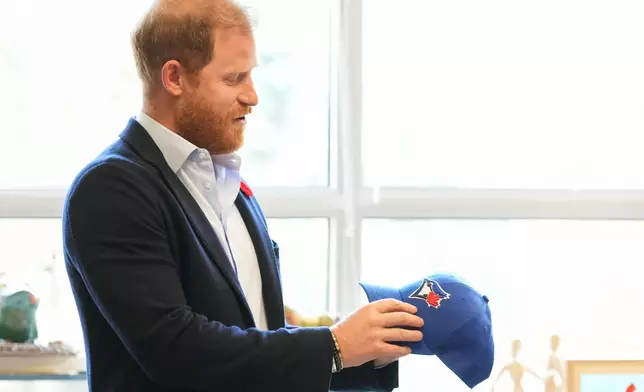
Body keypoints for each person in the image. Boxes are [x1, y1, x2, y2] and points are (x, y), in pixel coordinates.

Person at [61, 0, 424, 391]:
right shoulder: (111, 189)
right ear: (174, 78)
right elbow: (176, 350)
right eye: (234, 78)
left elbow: (255, 343)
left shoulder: (231, 189)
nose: (253, 96)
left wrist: (371, 350)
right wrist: (334, 346)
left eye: (250, 76)